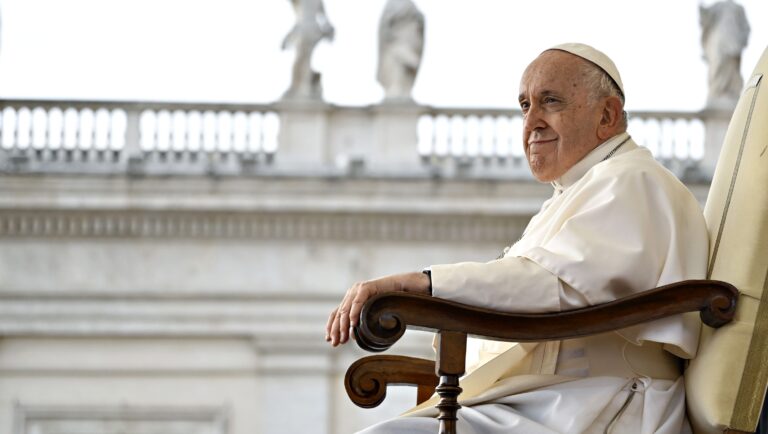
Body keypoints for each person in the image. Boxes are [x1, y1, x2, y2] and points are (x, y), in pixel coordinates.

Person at [326, 43, 708, 434]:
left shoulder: (631, 180)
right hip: (550, 401)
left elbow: (550, 286)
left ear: (607, 115)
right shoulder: (577, 189)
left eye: (551, 102)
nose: (532, 122)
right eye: (525, 106)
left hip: (600, 406)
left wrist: (420, 284)